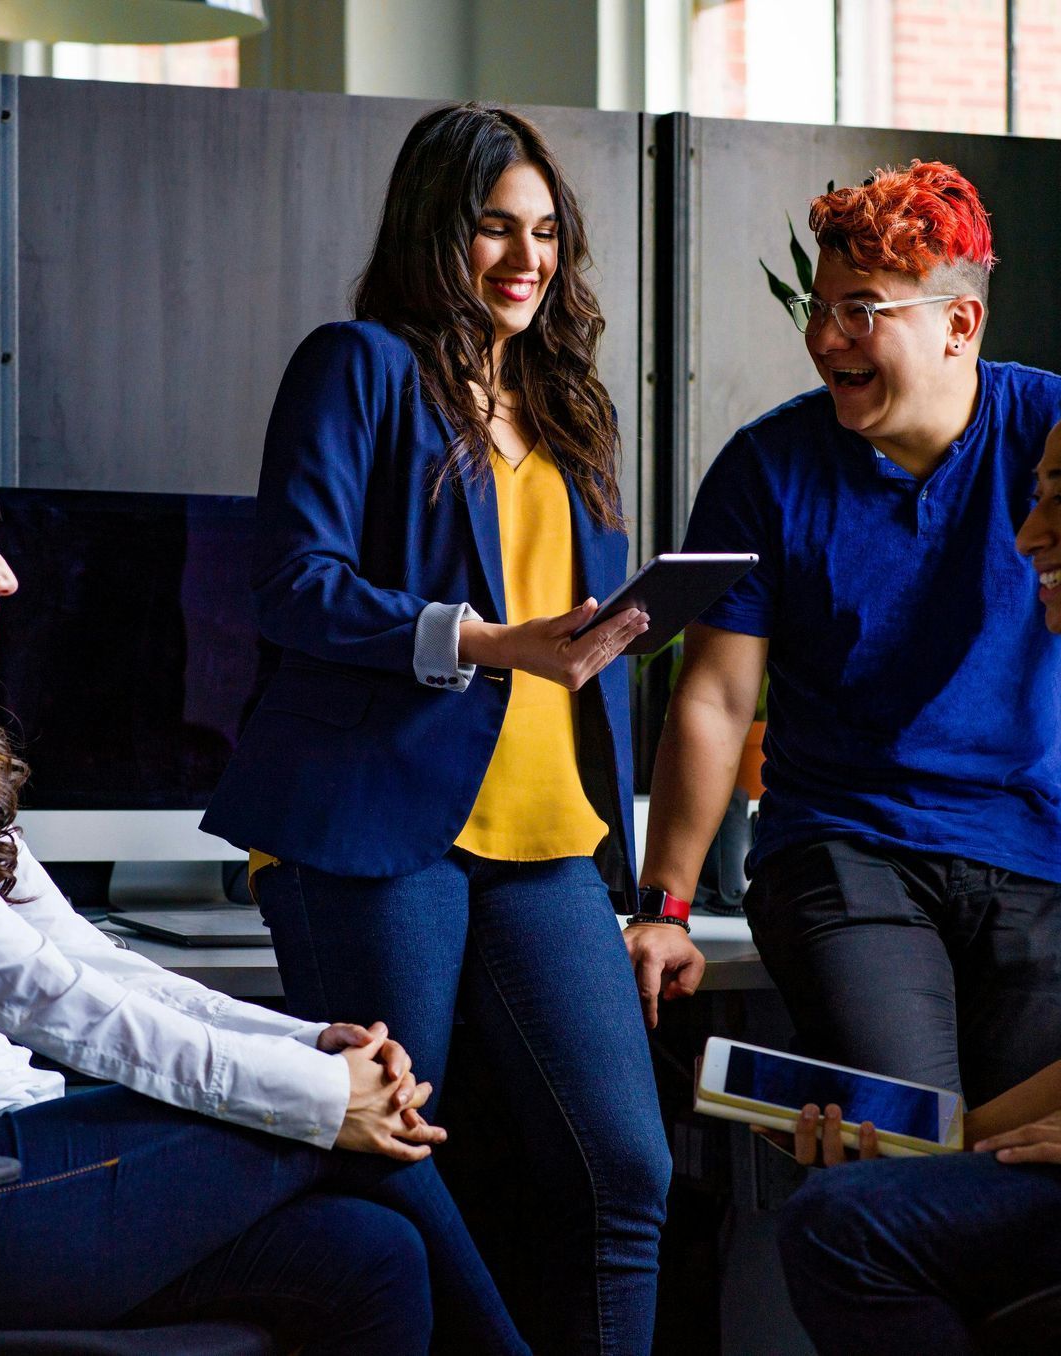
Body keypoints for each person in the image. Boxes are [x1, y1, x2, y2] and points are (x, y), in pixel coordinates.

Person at [0, 428, 527, 1354]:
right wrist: (318, 1093)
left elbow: (93, 962)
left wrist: (304, 1042)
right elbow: (44, 999)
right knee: (335, 1129)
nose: (10, 579)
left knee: (371, 1256)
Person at [201, 102, 670, 1354]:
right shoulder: (358, 365)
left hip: (547, 831)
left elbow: (558, 627)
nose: (526, 259)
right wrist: (483, 639)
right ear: (433, 229)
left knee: (629, 1171)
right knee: (393, 1151)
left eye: (546, 234)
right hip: (374, 826)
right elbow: (294, 582)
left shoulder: (566, 406)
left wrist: (610, 631)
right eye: (493, 229)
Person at [630, 160, 1061, 1107]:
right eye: (821, 306)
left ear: (959, 325)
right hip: (842, 848)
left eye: (863, 310)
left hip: (1032, 850)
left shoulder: (1060, 434)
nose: (825, 337)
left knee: (1024, 1168)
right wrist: (664, 909)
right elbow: (716, 700)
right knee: (914, 1136)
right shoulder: (767, 470)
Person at [776, 369, 1061, 1354]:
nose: (1029, 533)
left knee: (849, 1234)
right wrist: (917, 1152)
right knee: (857, 1204)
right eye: (1034, 498)